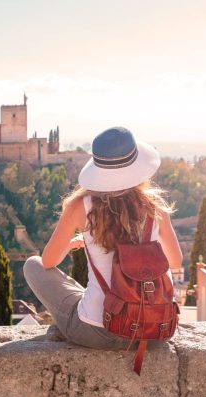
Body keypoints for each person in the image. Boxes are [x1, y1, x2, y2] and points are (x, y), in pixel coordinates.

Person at [23, 127, 182, 349]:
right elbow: (175, 262)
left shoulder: (79, 207)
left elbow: (48, 262)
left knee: (33, 265)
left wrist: (71, 244)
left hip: (98, 332)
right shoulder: (155, 207)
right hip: (154, 332)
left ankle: (88, 309)